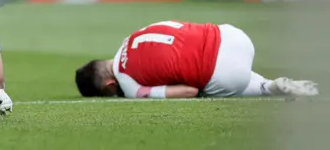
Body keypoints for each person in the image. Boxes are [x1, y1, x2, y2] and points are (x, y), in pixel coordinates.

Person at [75, 20, 318, 99]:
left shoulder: (129, 86)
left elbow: (187, 91)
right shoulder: (135, 34)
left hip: (225, 74)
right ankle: (272, 85)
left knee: (205, 87)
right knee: (215, 63)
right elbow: (179, 26)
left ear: (109, 85)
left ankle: (269, 88)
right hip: (233, 36)